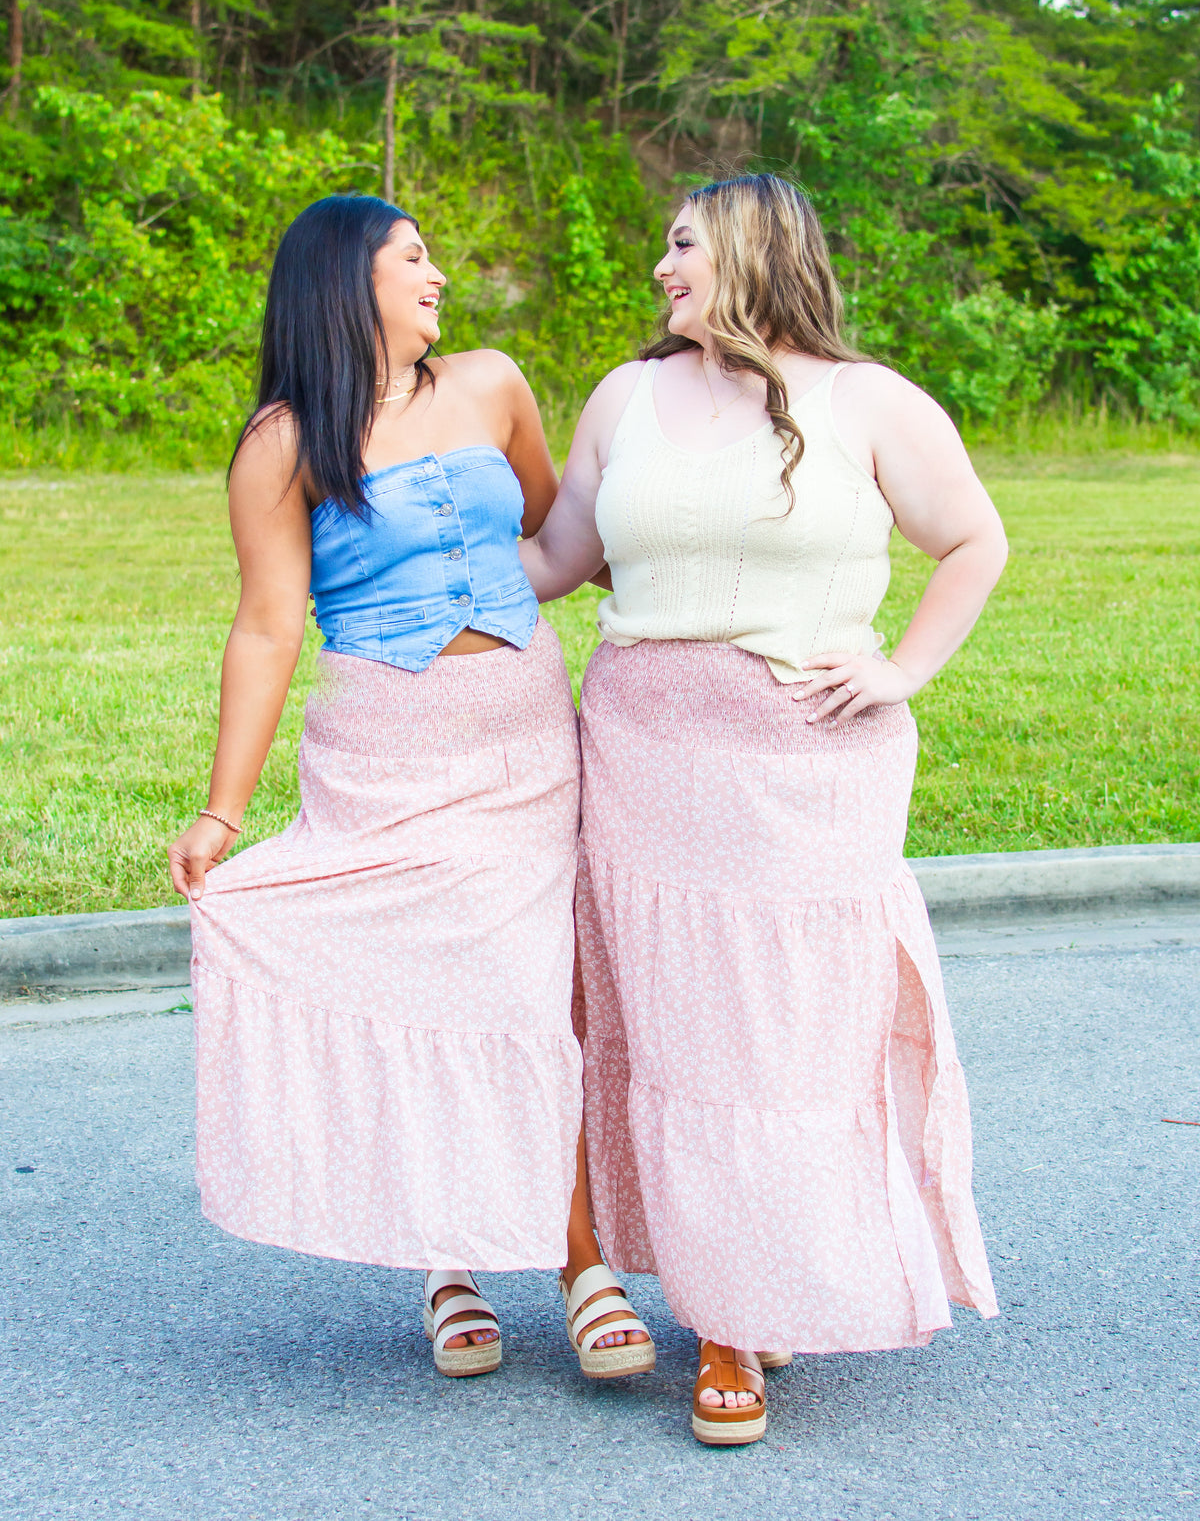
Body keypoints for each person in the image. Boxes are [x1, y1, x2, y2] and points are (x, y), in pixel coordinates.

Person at [519, 173, 1004, 1444]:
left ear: (748, 250)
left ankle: (765, 1264)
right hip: (644, 747)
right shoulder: (626, 395)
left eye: (681, 245)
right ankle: (725, 1319)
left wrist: (902, 666)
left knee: (787, 1035)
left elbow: (975, 542)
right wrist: (395, 535)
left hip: (805, 759)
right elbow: (562, 557)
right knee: (678, 1034)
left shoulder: (869, 400)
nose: (662, 269)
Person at [167, 194, 654, 1381]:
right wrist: (223, 808)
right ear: (347, 282)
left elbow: (559, 533)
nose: (438, 275)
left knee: (536, 993)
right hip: (382, 751)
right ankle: (448, 1255)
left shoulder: (492, 382)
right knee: (438, 991)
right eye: (414, 258)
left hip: (528, 739)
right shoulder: (282, 440)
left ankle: (580, 1257)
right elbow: (270, 625)